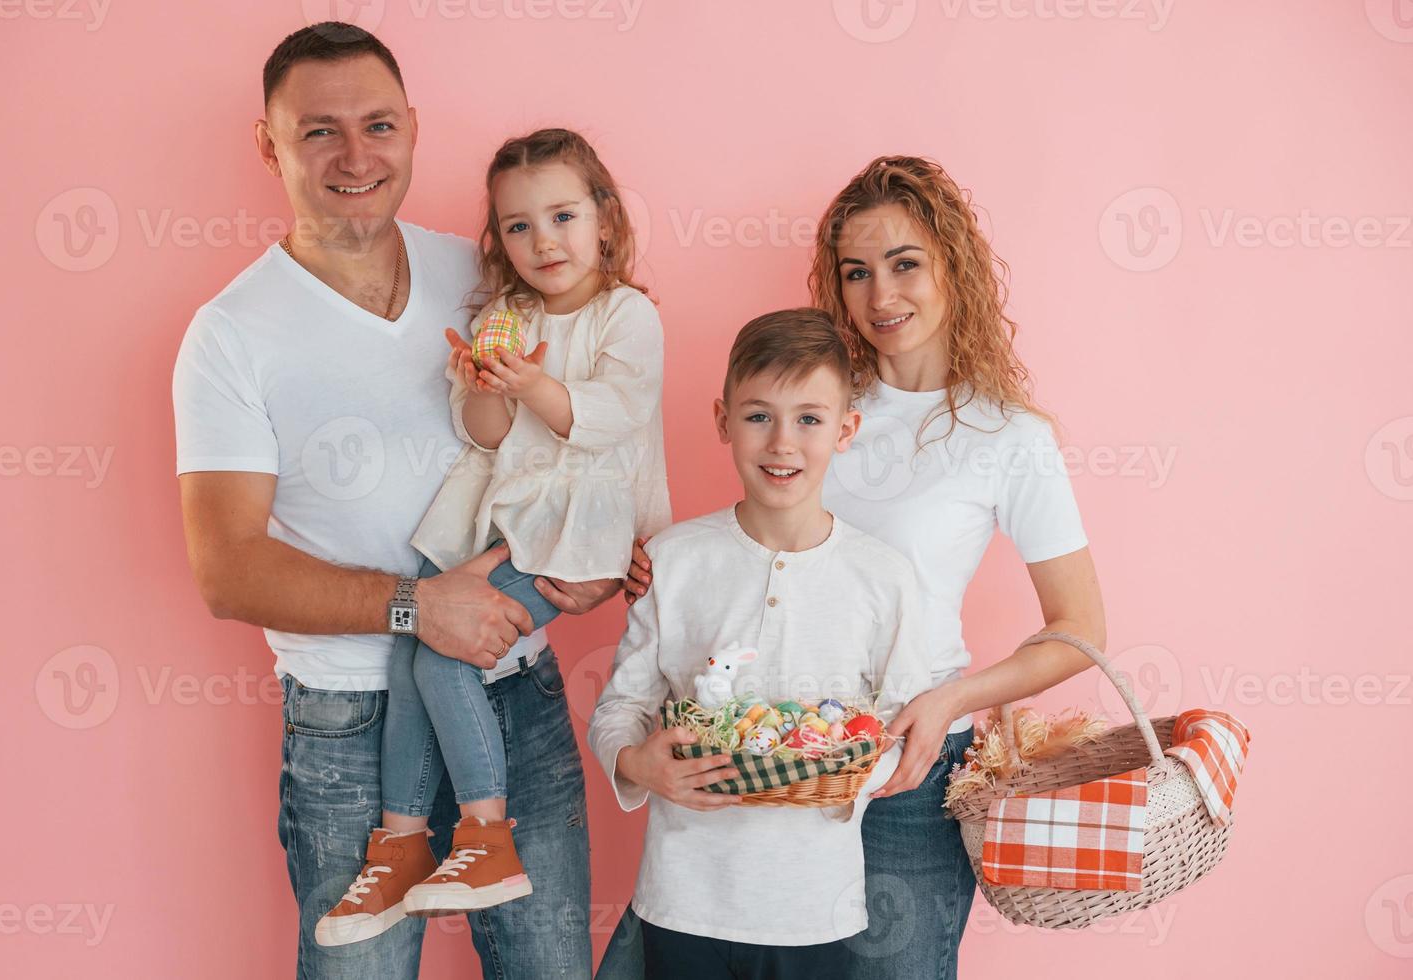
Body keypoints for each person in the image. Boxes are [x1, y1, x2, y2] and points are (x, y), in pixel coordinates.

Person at [172, 23, 616, 979]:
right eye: (319, 131)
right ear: (269, 144)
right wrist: (420, 607)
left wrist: (603, 555)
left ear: (414, 128)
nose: (355, 156)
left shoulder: (490, 274)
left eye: (378, 125)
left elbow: (587, 428)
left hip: (515, 692)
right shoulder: (230, 337)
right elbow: (227, 568)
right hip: (352, 725)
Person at [612, 156, 1107, 980]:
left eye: (905, 264)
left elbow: (1079, 631)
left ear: (955, 265)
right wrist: (656, 564)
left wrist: (950, 697)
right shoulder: (817, 401)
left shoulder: (1008, 438)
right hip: (769, 764)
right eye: (857, 273)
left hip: (909, 778)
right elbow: (744, 543)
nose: (882, 296)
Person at [316, 127, 669, 945]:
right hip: (503, 519)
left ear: (605, 221)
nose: (543, 241)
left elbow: (610, 420)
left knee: (443, 651)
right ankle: (403, 842)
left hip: (577, 527)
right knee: (414, 645)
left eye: (563, 216)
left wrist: (535, 383)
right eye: (518, 226)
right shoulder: (506, 316)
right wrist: (486, 385)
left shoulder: (628, 316)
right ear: (499, 242)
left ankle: (484, 834)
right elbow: (480, 435)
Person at [588, 308, 935, 979]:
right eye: (758, 416)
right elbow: (619, 709)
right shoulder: (674, 559)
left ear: (846, 429)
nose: (783, 442)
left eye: (809, 418)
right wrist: (637, 764)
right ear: (722, 420)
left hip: (817, 908)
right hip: (683, 901)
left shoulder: (883, 578)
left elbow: (902, 732)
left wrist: (843, 770)